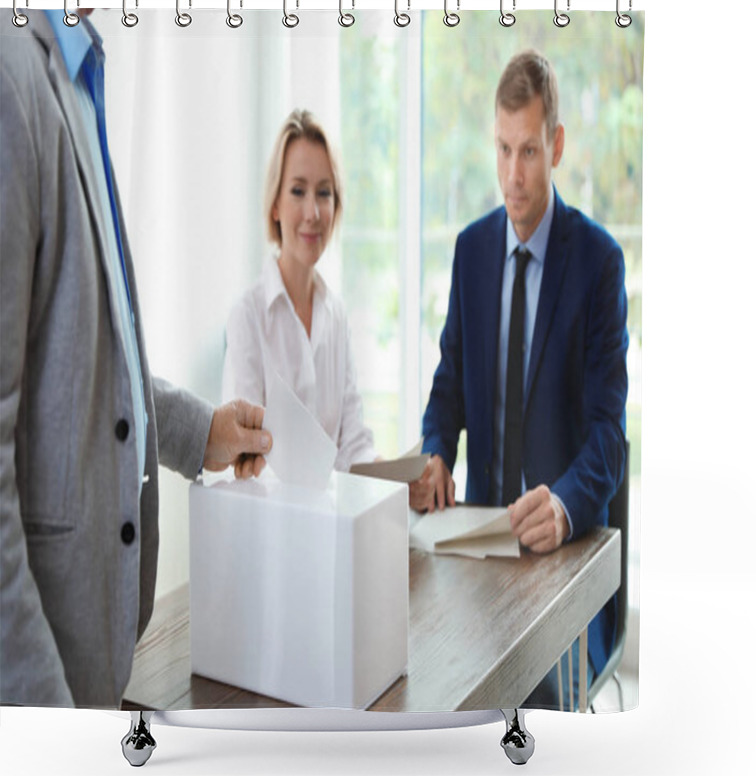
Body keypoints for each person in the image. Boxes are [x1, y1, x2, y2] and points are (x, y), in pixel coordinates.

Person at [0, 10, 272, 708]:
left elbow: (79, 361)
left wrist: (196, 430)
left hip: (99, 676)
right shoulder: (11, 77)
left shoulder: (74, 67)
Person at [410, 49, 628, 709]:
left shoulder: (598, 263)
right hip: (477, 546)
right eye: (502, 150)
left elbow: (607, 435)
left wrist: (562, 508)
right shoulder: (471, 252)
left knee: (530, 716)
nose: (513, 175)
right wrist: (435, 449)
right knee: (427, 681)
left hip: (562, 568)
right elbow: (449, 383)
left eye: (528, 151)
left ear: (556, 144)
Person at [222, 109, 376, 473]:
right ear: (275, 204)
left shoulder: (336, 315)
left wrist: (401, 478)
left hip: (335, 524)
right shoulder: (248, 316)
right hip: (274, 525)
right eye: (297, 191)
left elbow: (354, 444)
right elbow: (244, 459)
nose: (313, 212)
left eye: (324, 193)